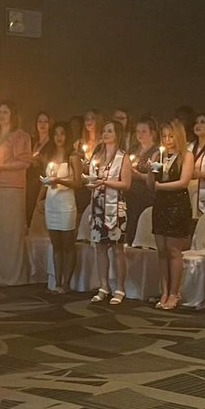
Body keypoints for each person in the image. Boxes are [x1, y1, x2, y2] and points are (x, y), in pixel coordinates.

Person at [148, 119, 194, 310]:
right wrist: (151, 172)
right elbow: (150, 186)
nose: (167, 140)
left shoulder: (186, 156)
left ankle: (174, 293)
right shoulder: (159, 155)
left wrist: (161, 186)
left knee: (173, 250)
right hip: (160, 204)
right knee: (161, 251)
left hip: (177, 204)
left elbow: (184, 182)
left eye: (171, 135)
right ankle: (164, 291)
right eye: (164, 136)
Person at [0, 100, 33, 285]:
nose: (2, 115)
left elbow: (24, 162)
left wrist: (2, 166)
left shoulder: (21, 136)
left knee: (10, 232)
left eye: (5, 112)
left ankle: (11, 276)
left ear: (12, 114)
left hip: (12, 187)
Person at [89, 120, 133, 305]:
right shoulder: (98, 155)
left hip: (116, 207)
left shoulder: (123, 158)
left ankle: (120, 287)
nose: (105, 134)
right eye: (104, 130)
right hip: (98, 204)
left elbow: (126, 184)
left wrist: (105, 182)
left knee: (117, 248)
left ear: (117, 134)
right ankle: (103, 286)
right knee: (99, 247)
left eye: (110, 131)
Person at [39, 122, 79, 293]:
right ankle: (57, 282)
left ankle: (66, 283)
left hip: (66, 203)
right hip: (51, 202)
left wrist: (60, 181)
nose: (59, 137)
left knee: (67, 244)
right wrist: (39, 198)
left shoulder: (73, 156)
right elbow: (46, 180)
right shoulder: (50, 156)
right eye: (56, 134)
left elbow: (78, 183)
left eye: (62, 133)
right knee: (56, 244)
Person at [127, 116, 160, 244]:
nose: (139, 134)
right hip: (131, 193)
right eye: (138, 131)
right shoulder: (133, 149)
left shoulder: (156, 151)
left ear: (152, 133)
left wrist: (139, 176)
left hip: (146, 194)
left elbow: (157, 176)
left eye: (143, 131)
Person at [26, 111, 53, 229]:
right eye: (40, 121)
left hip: (42, 181)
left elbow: (52, 164)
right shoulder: (32, 142)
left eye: (45, 121)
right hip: (29, 178)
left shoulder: (51, 144)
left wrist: (42, 161)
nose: (42, 124)